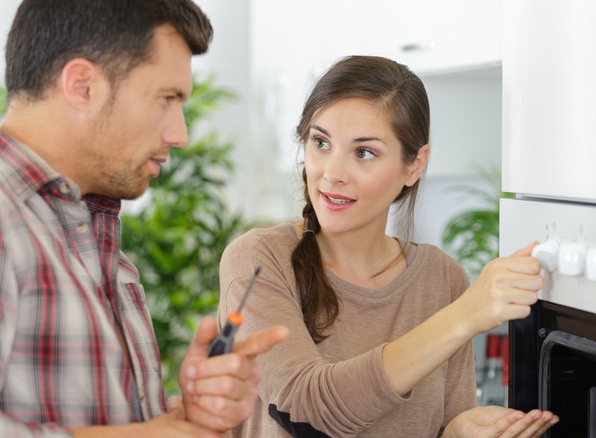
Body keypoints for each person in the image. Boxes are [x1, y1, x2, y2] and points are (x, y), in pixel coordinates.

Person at [0, 1, 288, 437]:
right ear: (82, 86)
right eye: (166, 99)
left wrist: (183, 418)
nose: (180, 134)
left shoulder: (93, 237)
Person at [218, 55, 559, 437]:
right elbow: (304, 410)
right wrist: (465, 315)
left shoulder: (442, 279)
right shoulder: (259, 261)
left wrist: (457, 432)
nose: (332, 173)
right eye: (321, 142)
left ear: (414, 165)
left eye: (364, 152)